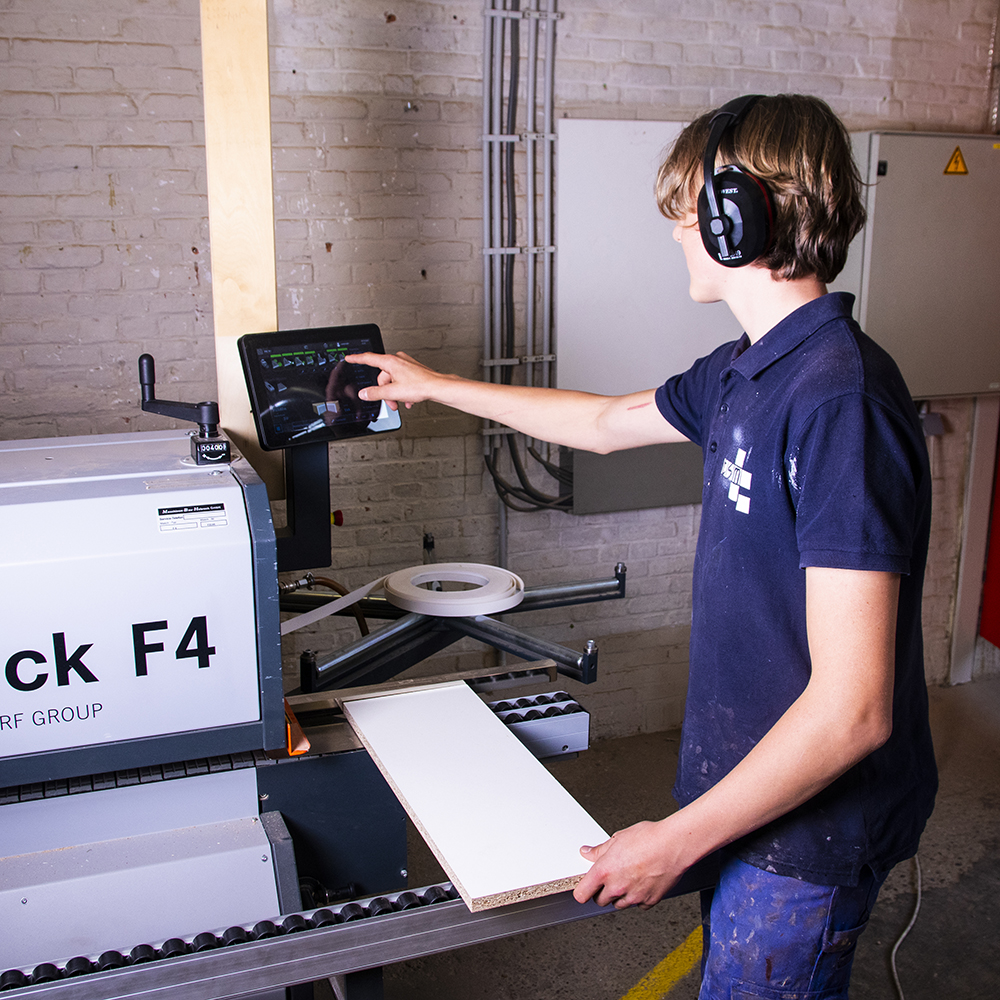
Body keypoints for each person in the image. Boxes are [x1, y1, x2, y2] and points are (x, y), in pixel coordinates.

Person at [348, 93, 937, 998]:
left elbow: (853, 710)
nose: (675, 231)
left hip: (809, 834)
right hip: (752, 796)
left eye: (689, 209)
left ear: (742, 217)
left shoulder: (838, 400)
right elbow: (603, 423)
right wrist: (434, 386)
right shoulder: (749, 367)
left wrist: (673, 842)